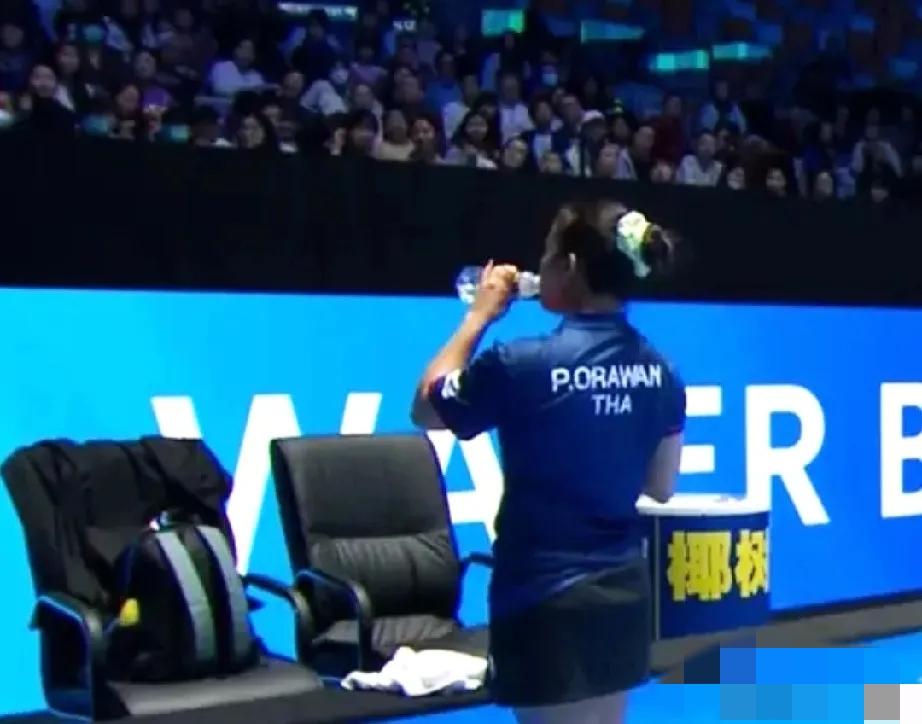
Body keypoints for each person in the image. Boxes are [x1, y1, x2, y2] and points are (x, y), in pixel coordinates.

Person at [410, 200, 685, 724]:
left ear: (571, 267)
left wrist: (479, 316)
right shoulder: (663, 371)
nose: (539, 265)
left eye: (547, 253)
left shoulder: (521, 362)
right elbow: (661, 485)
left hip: (543, 602)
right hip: (623, 597)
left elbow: (427, 406)